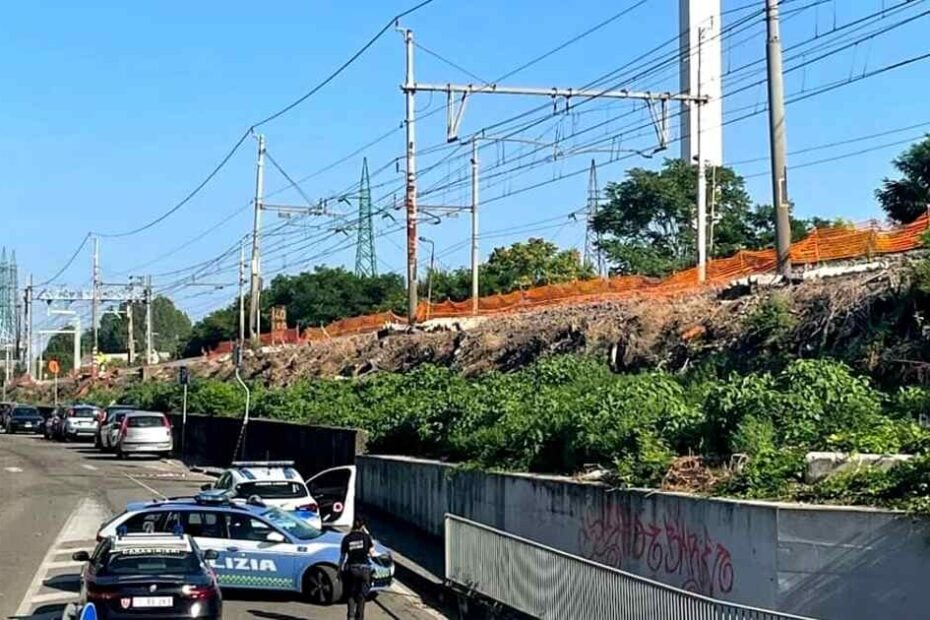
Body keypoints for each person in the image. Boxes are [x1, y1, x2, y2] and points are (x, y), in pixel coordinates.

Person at [340, 517, 375, 620]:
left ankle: (350, 616)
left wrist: (339, 571)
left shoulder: (347, 538)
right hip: (364, 569)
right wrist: (367, 534)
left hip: (351, 568)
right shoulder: (366, 537)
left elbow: (342, 557)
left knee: (350, 594)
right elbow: (372, 553)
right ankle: (360, 618)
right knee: (361, 596)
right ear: (363, 526)